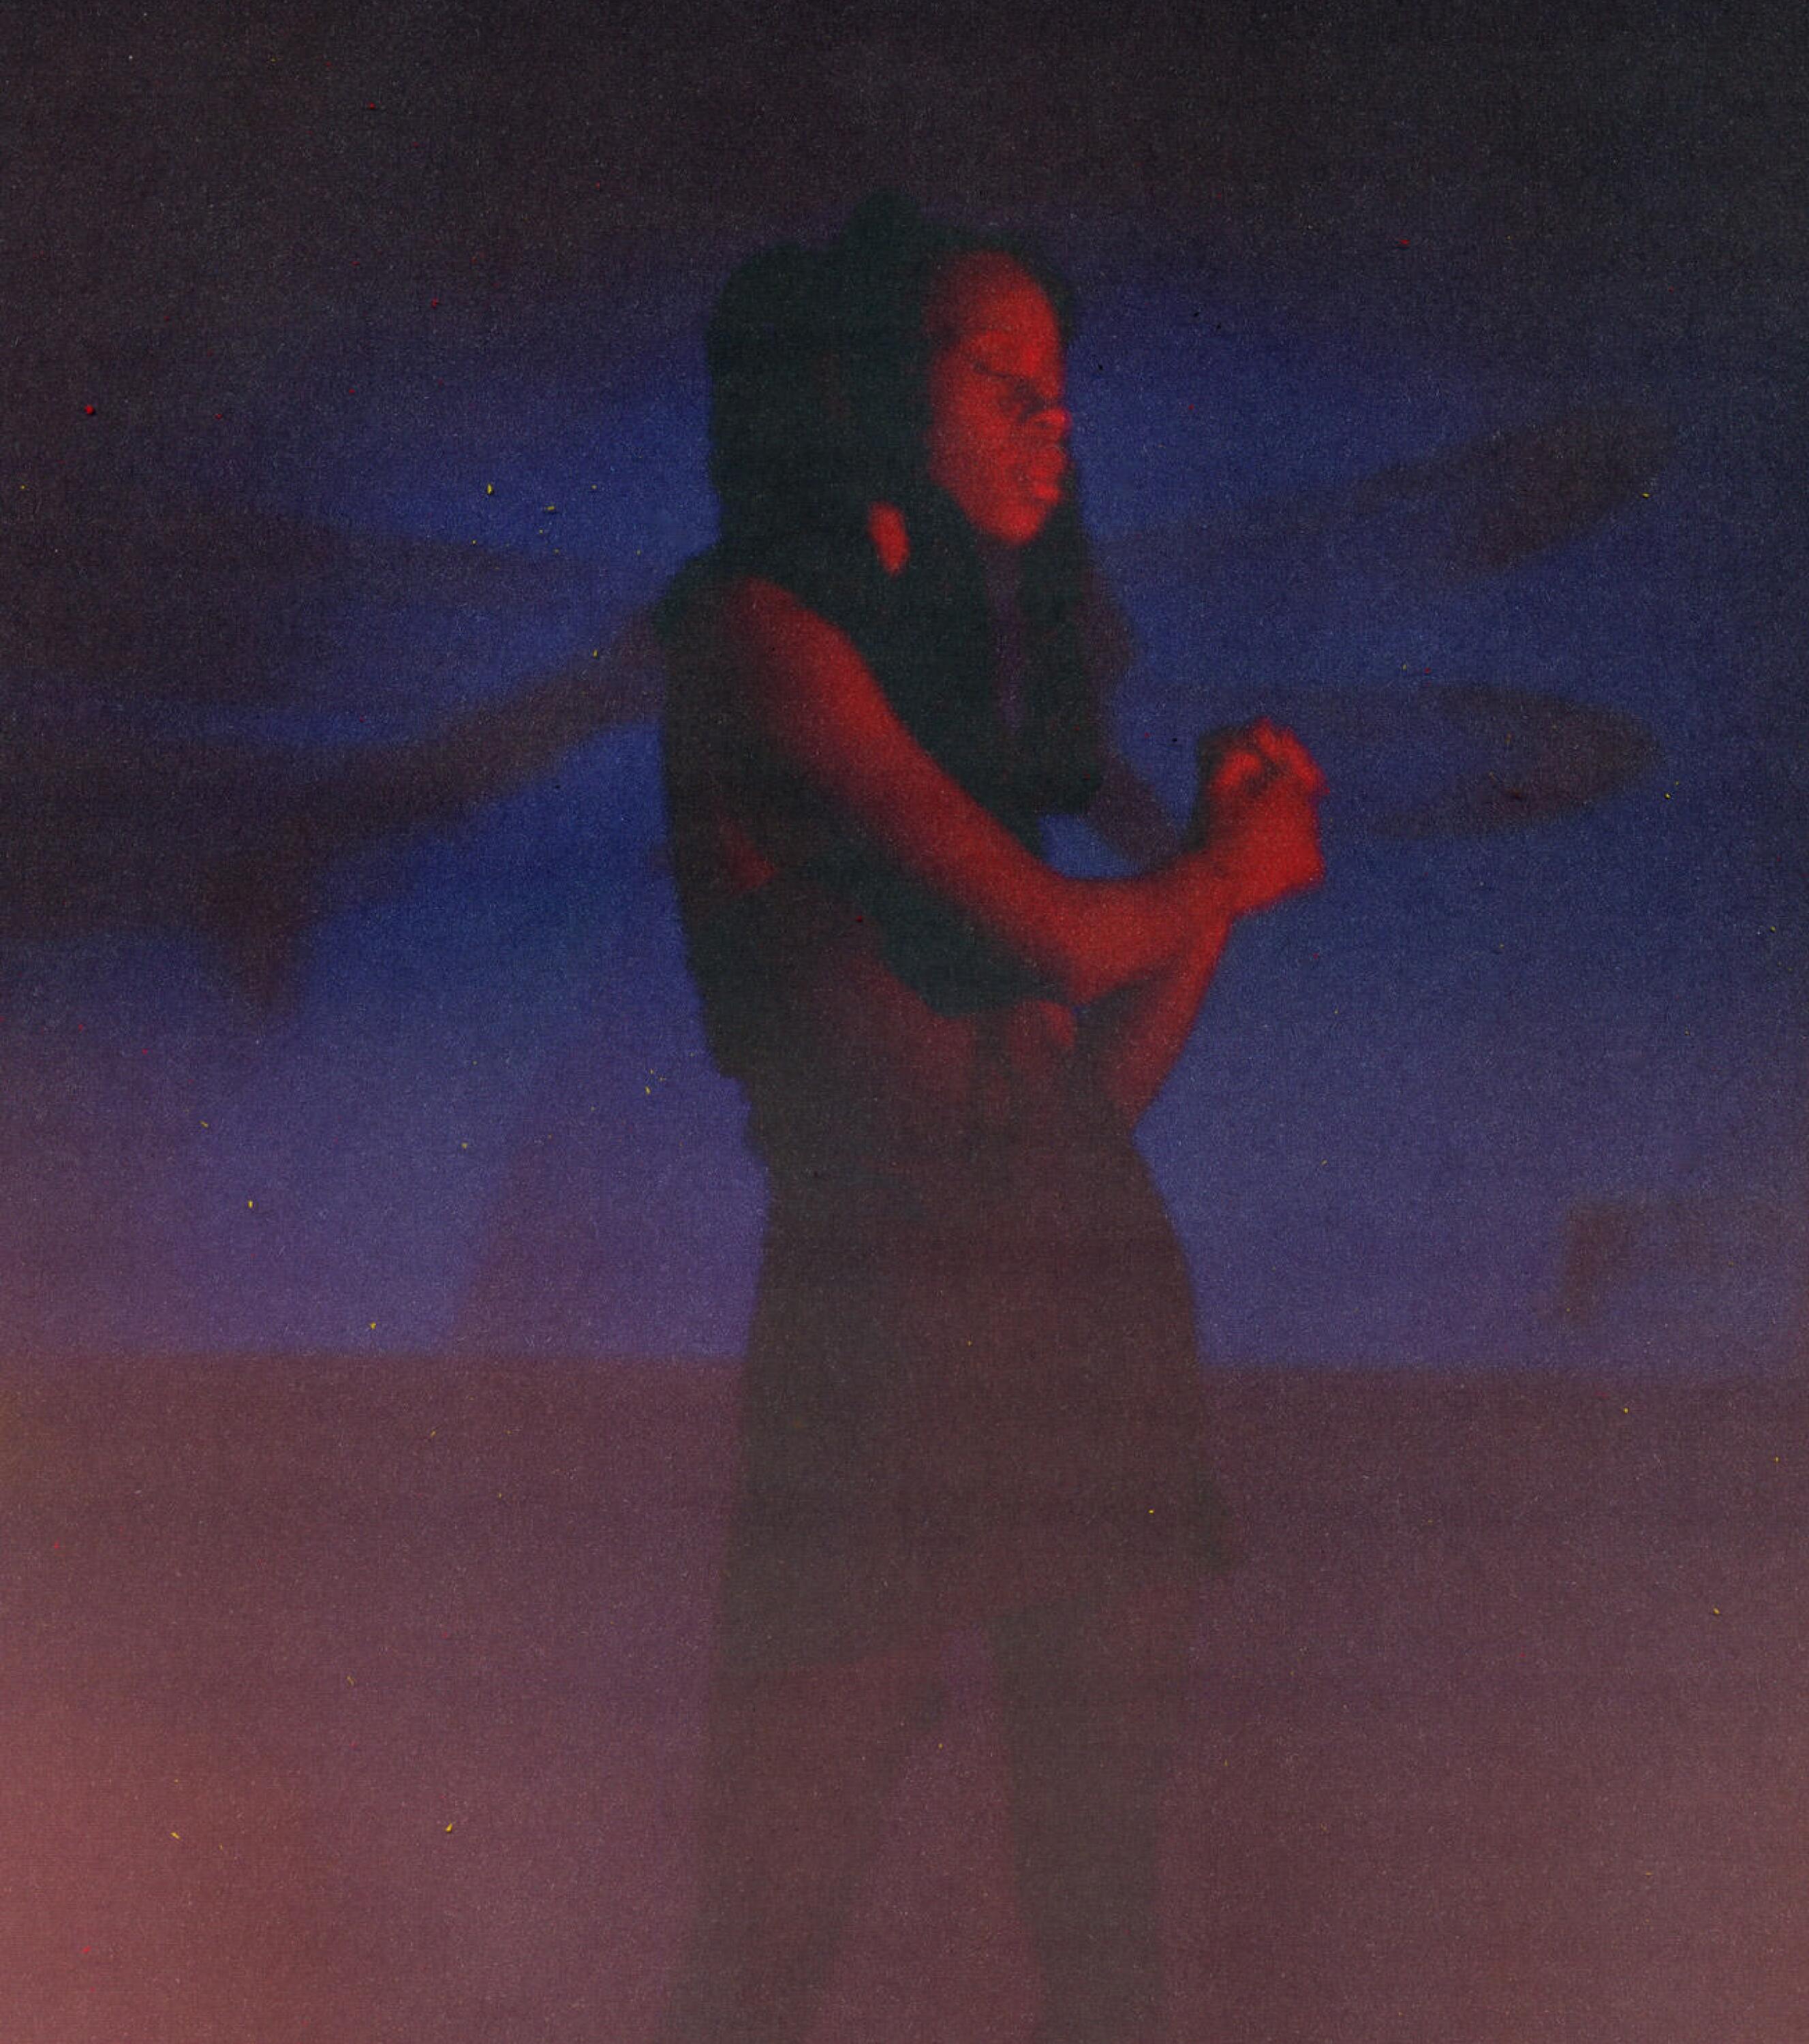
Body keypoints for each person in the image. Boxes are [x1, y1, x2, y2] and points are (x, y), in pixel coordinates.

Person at [653, 195, 1325, 2044]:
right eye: (1004, 378)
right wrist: (1226, 873)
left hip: (1080, 1322)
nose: (1055, 419)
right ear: (882, 386)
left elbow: (1085, 1103)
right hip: (881, 1342)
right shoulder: (753, 635)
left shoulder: (956, 673)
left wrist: (1217, 879)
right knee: (767, 1929)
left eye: (1062, 384)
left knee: (1100, 1916)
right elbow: (1056, 935)